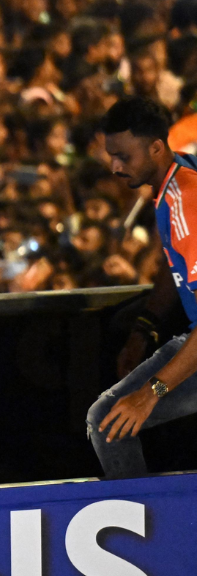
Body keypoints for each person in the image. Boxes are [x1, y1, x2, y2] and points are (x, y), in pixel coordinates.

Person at [87, 97, 197, 477]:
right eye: (111, 156)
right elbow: (176, 265)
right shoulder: (173, 181)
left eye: (124, 157)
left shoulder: (186, 200)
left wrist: (151, 394)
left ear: (155, 147)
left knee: (109, 422)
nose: (115, 167)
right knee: (109, 421)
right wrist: (144, 327)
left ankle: (146, 530)